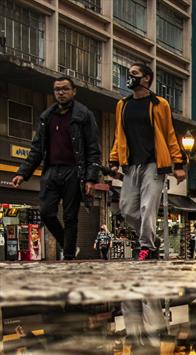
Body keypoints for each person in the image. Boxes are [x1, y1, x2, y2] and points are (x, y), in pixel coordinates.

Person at [12, 76, 101, 260]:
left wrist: (91, 178)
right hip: (51, 171)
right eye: (57, 89)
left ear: (74, 91)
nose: (61, 92)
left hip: (74, 171)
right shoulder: (47, 116)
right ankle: (66, 244)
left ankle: (68, 255)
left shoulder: (84, 115)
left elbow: (93, 149)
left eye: (65, 89)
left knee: (70, 217)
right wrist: (22, 173)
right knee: (45, 212)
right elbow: (36, 149)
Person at [110, 63, 185, 261]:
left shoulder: (160, 104)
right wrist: (114, 160)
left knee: (147, 207)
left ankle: (146, 247)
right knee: (126, 209)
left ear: (146, 79)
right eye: (129, 73)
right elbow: (119, 135)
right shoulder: (122, 105)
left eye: (134, 74)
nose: (130, 77)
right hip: (131, 164)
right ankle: (152, 238)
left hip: (154, 164)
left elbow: (170, 134)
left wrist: (178, 165)